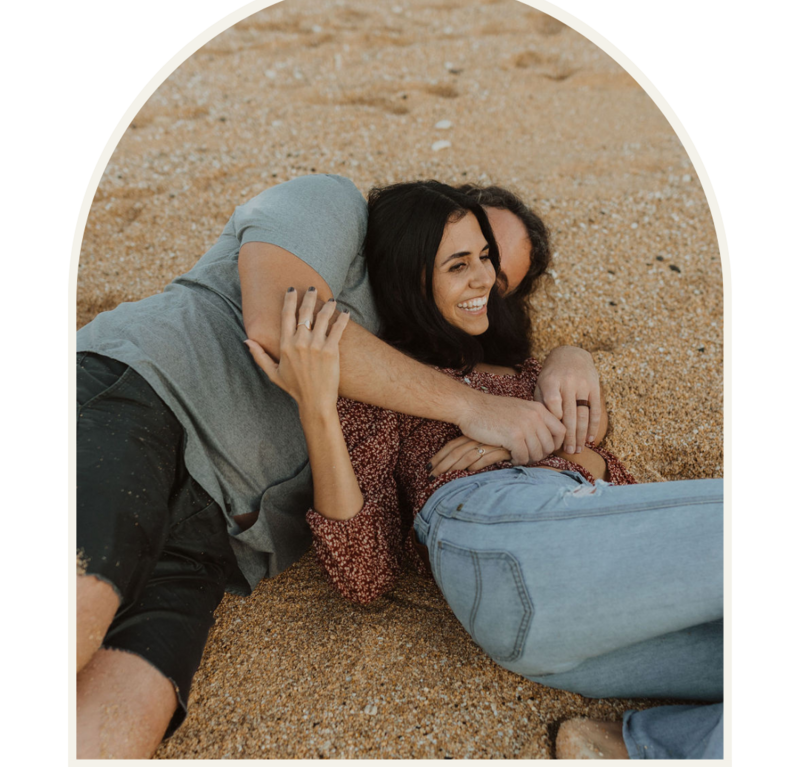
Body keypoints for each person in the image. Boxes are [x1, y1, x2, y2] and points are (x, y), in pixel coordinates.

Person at [74, 174, 601, 758]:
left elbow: (571, 447)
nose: (480, 276)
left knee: (123, 722)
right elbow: (279, 323)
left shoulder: (427, 369)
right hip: (147, 399)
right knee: (83, 601)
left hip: (221, 536)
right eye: (467, 249)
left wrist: (564, 360)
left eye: (495, 275)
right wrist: (477, 409)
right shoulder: (333, 207)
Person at [245, 180, 724, 760]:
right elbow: (363, 575)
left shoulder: (523, 375)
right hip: (493, 533)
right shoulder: (386, 389)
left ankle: (642, 747)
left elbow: (610, 478)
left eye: (488, 261)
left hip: (554, 628)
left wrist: (522, 438)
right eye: (459, 265)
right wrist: (318, 408)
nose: (485, 281)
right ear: (409, 276)